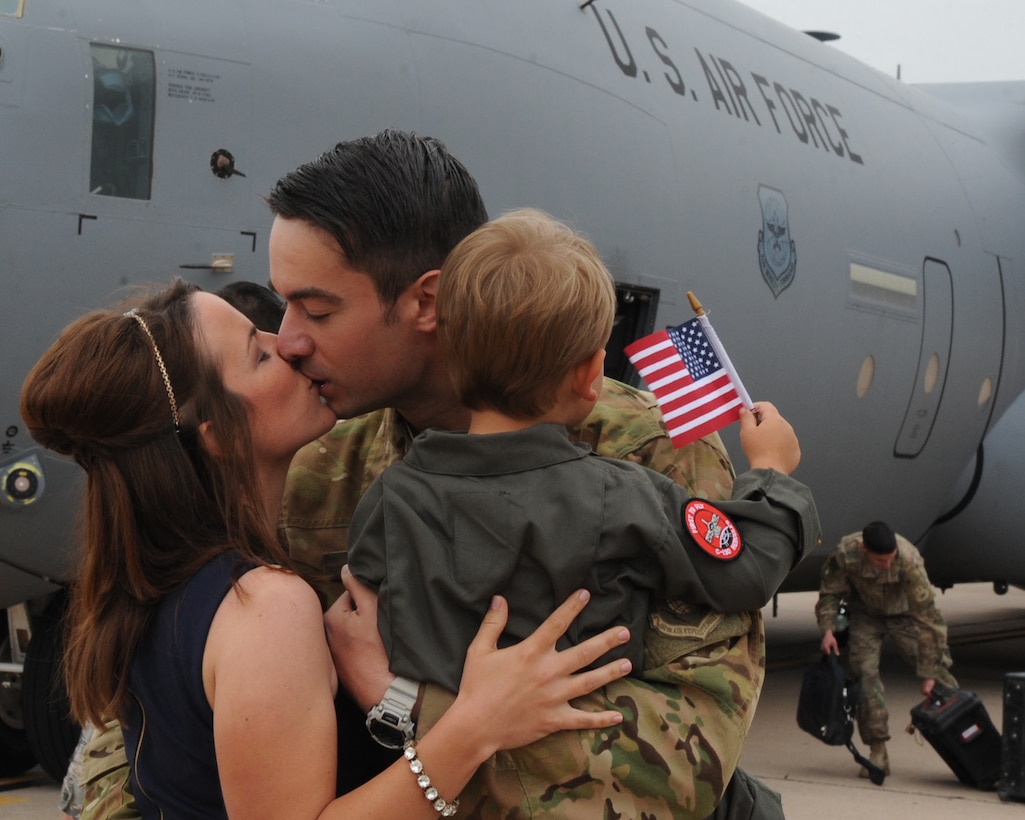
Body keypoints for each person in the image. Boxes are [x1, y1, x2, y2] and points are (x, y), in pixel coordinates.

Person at [81, 130, 794, 818]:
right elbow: (144, 714)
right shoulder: (319, 464)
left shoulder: (646, 454)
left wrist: (403, 705)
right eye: (284, 301)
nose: (289, 339)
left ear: (425, 301)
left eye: (317, 309)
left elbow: (670, 775)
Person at [23, 280, 632, 818]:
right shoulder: (263, 606)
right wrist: (474, 725)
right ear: (216, 436)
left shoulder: (159, 581)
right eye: (258, 354)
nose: (287, 344)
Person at [346, 208, 819, 705]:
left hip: (426, 757)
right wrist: (771, 471)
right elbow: (745, 571)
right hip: (572, 768)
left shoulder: (384, 499)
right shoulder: (624, 498)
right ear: (591, 372)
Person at [816, 520, 958, 779]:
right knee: (864, 675)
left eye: (890, 560)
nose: (888, 566)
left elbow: (929, 618)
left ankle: (966, 733)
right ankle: (877, 751)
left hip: (905, 616)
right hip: (865, 617)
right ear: (864, 549)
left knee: (939, 673)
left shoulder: (909, 560)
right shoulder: (847, 552)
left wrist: (928, 673)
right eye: (880, 562)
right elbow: (830, 593)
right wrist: (827, 630)